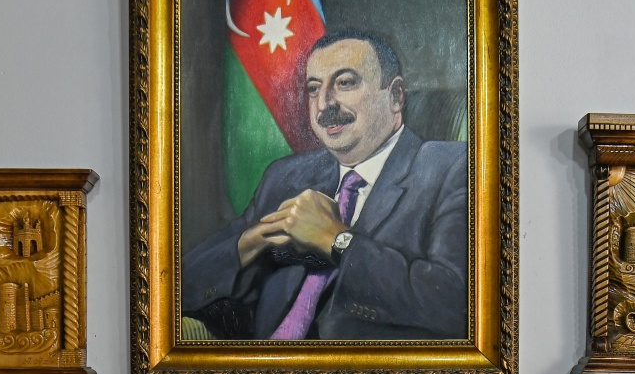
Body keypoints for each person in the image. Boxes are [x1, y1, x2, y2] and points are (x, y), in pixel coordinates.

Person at [182, 28, 468, 340]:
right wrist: (249, 244)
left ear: (396, 96)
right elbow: (180, 286)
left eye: (345, 83)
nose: (323, 104)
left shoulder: (452, 167)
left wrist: (337, 240)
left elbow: (455, 305)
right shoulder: (286, 176)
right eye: (314, 88)